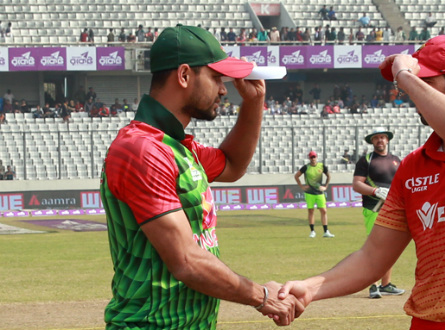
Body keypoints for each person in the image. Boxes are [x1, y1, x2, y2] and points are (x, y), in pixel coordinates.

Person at [279, 35, 445, 330]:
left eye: (425, 83)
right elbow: (373, 257)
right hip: (426, 323)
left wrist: (405, 76)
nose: (410, 94)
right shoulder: (413, 165)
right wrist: (311, 287)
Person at [99, 25, 303, 329]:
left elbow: (233, 165)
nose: (223, 89)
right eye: (216, 78)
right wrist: (262, 296)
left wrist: (253, 102)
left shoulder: (176, 146)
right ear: (183, 75)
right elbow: (186, 261)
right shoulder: (141, 150)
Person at [352, 127, 405, 299]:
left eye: (382, 137)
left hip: (393, 209)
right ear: (372, 141)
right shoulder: (366, 160)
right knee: (374, 247)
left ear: (387, 140)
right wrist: (375, 192)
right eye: (376, 138)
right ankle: (373, 285)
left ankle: (385, 284)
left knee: (390, 247)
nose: (380, 140)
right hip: (373, 208)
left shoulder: (396, 160)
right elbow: (357, 185)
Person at [294, 151, 334, 238]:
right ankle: (312, 231)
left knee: (324, 211)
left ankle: (326, 231)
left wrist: (326, 186)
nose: (313, 159)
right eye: (311, 157)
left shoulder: (321, 166)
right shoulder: (306, 167)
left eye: (314, 157)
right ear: (309, 158)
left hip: (320, 192)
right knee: (311, 211)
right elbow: (296, 176)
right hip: (309, 193)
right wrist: (301, 186)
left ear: (316, 157)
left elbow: (328, 176)